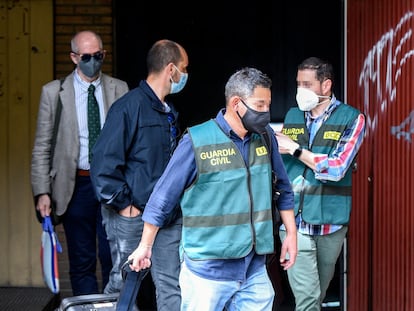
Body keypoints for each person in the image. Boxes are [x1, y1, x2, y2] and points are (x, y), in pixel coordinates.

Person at [127, 67, 298, 311]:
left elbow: (283, 187)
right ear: (236, 103)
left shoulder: (266, 137)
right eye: (260, 105)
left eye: (267, 105)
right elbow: (162, 198)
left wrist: (290, 234)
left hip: (254, 269)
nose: (266, 113)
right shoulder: (197, 141)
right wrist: (145, 246)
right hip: (206, 273)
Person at [90, 39, 189, 310]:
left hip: (166, 215)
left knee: (171, 284)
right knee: (123, 283)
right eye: (184, 68)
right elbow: (102, 164)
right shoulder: (128, 107)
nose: (186, 75)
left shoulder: (168, 112)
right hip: (131, 215)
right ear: (171, 70)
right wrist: (125, 206)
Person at [31, 30, 129, 295]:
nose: (93, 61)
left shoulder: (120, 89)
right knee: (82, 259)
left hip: (111, 184)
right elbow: (42, 145)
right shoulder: (54, 92)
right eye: (87, 57)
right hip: (76, 186)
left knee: (114, 257)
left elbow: (129, 142)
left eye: (99, 56)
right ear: (74, 57)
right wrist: (42, 191)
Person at [275, 56, 366, 311]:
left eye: (306, 84)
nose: (299, 90)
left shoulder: (352, 118)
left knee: (317, 296)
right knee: (307, 300)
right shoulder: (293, 115)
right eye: (298, 84)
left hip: (331, 223)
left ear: (326, 86)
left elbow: (336, 169)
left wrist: (295, 150)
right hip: (295, 222)